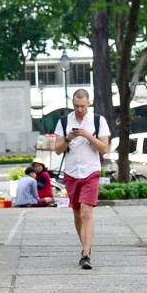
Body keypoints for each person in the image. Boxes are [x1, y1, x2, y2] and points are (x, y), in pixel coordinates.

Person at [47, 88, 109, 270]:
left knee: (86, 211)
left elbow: (104, 148)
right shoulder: (64, 121)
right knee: (77, 212)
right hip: (72, 172)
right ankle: (85, 246)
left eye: (82, 106)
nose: (79, 109)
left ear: (88, 103)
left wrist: (88, 135)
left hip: (91, 171)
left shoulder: (98, 121)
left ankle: (86, 253)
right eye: (76, 106)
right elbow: (57, 149)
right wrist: (68, 138)